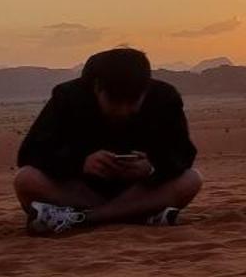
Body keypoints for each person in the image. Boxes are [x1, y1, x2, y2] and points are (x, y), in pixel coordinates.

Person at [13, 47, 203, 236]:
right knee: (26, 179)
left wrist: (151, 167)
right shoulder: (67, 96)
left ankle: (82, 219)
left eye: (131, 102)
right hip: (80, 190)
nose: (122, 110)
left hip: (139, 191)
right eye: (115, 101)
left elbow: (183, 153)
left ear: (145, 91)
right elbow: (31, 152)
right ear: (97, 87)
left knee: (191, 180)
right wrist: (80, 163)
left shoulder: (165, 98)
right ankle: (138, 217)